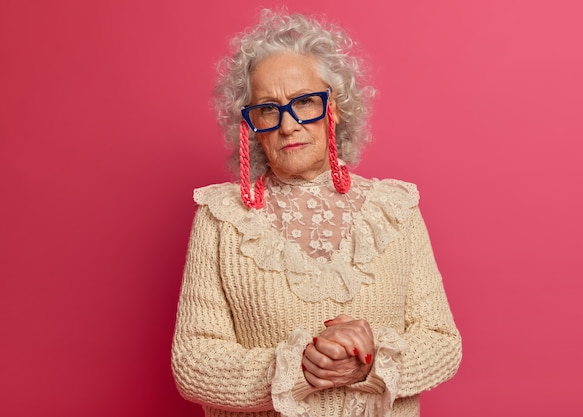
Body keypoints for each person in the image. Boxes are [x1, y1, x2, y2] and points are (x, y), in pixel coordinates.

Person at [171, 9, 462, 417]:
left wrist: (371, 360)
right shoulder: (221, 218)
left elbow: (442, 341)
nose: (287, 126)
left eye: (305, 102)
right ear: (251, 126)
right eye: (268, 109)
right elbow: (192, 362)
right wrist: (297, 370)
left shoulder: (396, 211)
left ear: (335, 108)